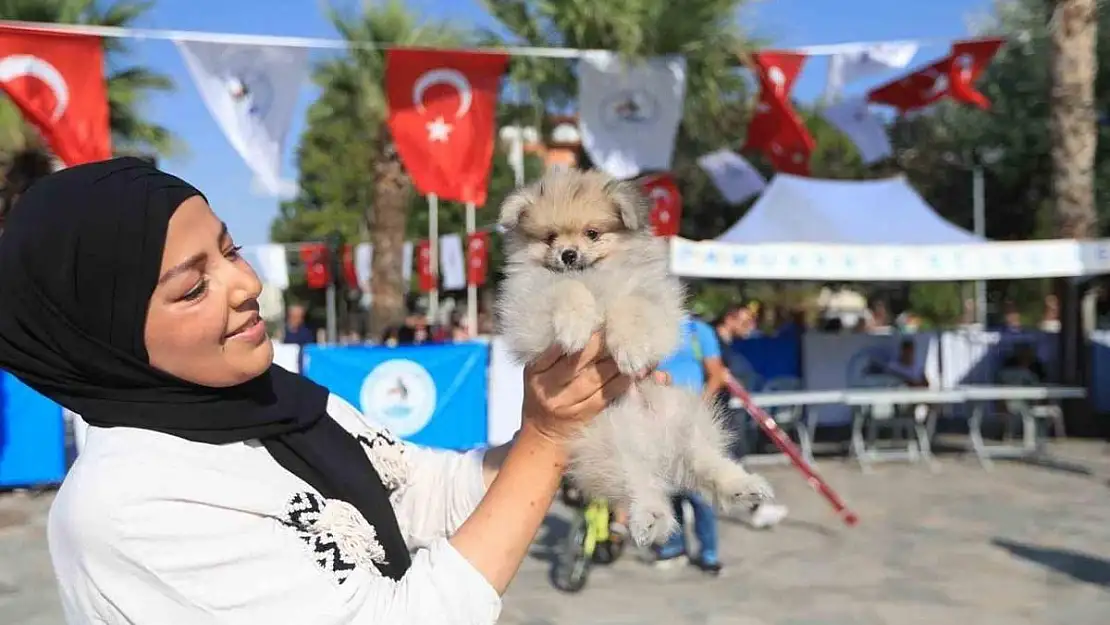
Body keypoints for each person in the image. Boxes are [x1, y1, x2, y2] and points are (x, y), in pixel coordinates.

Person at [0, 158, 664, 624]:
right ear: (103, 336)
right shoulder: (128, 506)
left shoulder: (280, 401)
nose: (246, 284)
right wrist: (545, 441)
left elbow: (423, 492)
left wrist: (564, 418)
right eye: (193, 286)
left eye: (231, 251)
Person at [652, 313, 729, 574]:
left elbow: (716, 376)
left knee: (698, 492)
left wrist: (698, 406)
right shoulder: (650, 327)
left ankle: (708, 551)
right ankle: (673, 546)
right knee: (666, 487)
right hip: (658, 421)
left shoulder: (699, 332)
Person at [711, 307, 789, 530]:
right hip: (711, 414)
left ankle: (757, 507)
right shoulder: (713, 344)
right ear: (730, 318)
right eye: (745, 322)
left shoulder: (725, 346)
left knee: (733, 462)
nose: (750, 327)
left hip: (723, 412)